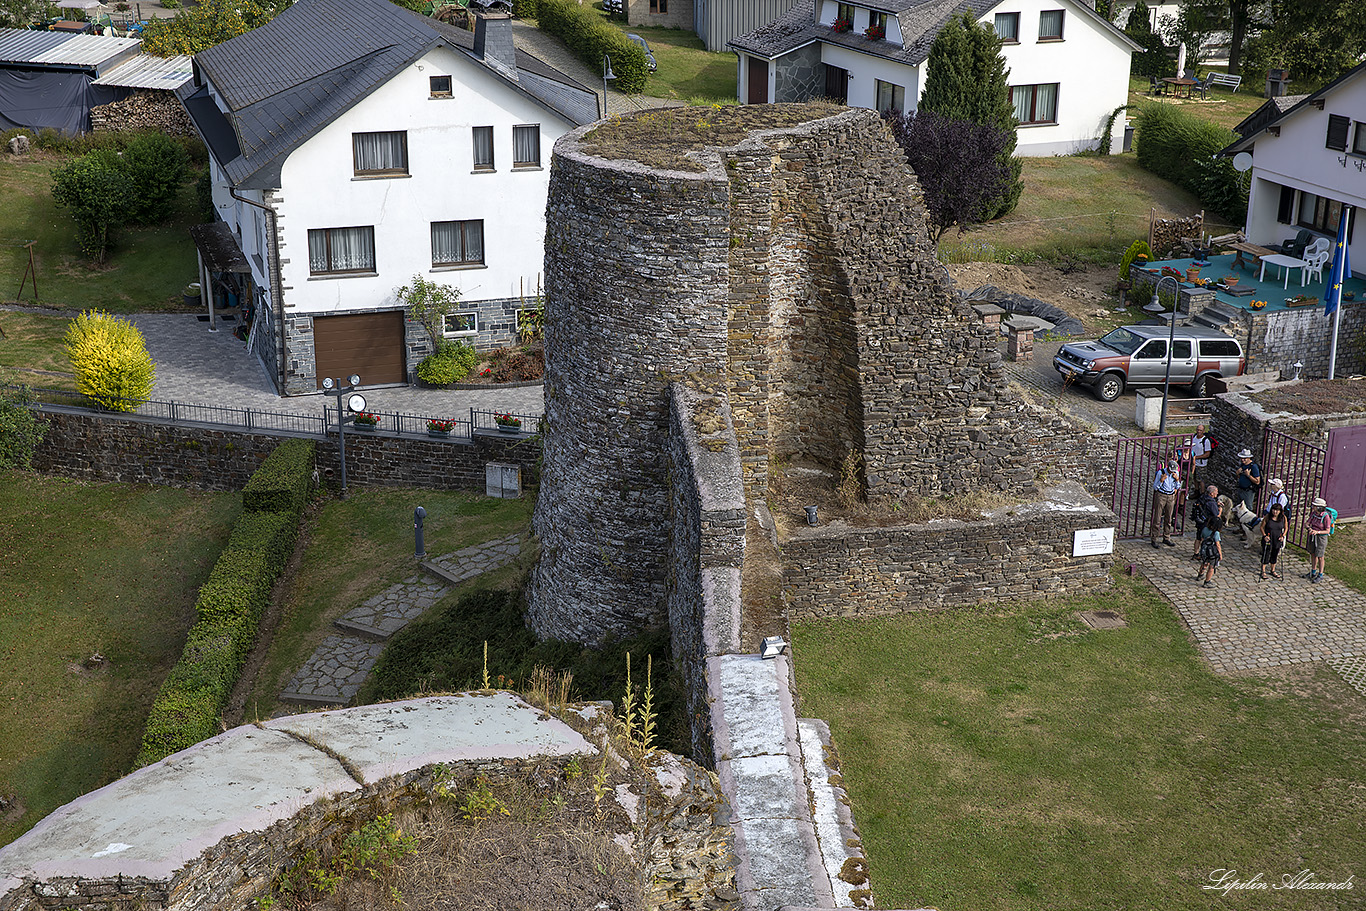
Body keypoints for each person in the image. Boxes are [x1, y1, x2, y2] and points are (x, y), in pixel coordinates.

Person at [1151, 457, 1181, 548]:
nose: (1172, 472)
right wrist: (1161, 480)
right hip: (1161, 496)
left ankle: (1166, 537)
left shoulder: (1176, 473)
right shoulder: (1161, 473)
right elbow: (1155, 487)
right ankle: (1154, 538)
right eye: (1171, 470)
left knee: (1168, 518)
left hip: (1171, 496)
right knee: (1157, 518)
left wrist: (1177, 480)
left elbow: (1178, 486)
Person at [1233, 448, 1262, 539]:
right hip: (1241, 489)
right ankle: (1241, 528)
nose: (1243, 460)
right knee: (1239, 509)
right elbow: (1239, 477)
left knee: (1247, 510)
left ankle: (1247, 531)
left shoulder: (1253, 467)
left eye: (1245, 458)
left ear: (1249, 458)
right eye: (1242, 458)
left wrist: (1248, 475)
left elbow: (1257, 481)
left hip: (1248, 491)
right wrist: (1238, 474)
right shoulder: (1243, 465)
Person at [1305, 497, 1334, 582]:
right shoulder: (1314, 514)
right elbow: (1307, 523)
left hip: (1321, 537)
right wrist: (1309, 528)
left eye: (1315, 506)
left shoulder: (1326, 517)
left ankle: (1320, 574)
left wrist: (1317, 532)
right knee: (1313, 553)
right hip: (1313, 535)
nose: (1313, 507)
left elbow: (1327, 530)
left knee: (1320, 556)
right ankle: (1313, 571)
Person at [1197, 504, 1224, 587]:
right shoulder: (1216, 533)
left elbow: (1201, 538)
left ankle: (1200, 574)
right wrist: (1220, 554)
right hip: (1212, 552)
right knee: (1211, 567)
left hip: (1204, 549)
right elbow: (1218, 544)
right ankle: (1207, 581)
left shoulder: (1205, 529)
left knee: (1204, 563)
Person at [1190, 484, 1220, 560]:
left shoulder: (1203, 497)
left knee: (1198, 538)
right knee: (1205, 540)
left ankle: (1196, 554)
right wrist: (1220, 510)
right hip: (1207, 523)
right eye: (1216, 492)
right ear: (1212, 493)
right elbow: (1216, 515)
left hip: (1199, 521)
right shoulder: (1211, 502)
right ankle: (1204, 554)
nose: (1217, 493)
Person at [1259, 501, 1287, 581]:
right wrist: (1264, 535)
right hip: (1268, 538)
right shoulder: (1267, 517)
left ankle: (1272, 570)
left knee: (1275, 554)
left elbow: (1286, 528)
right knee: (1266, 553)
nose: (1275, 512)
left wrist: (1283, 536)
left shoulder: (1283, 518)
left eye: (1277, 510)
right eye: (1274, 510)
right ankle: (1263, 571)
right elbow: (1261, 527)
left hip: (1277, 538)